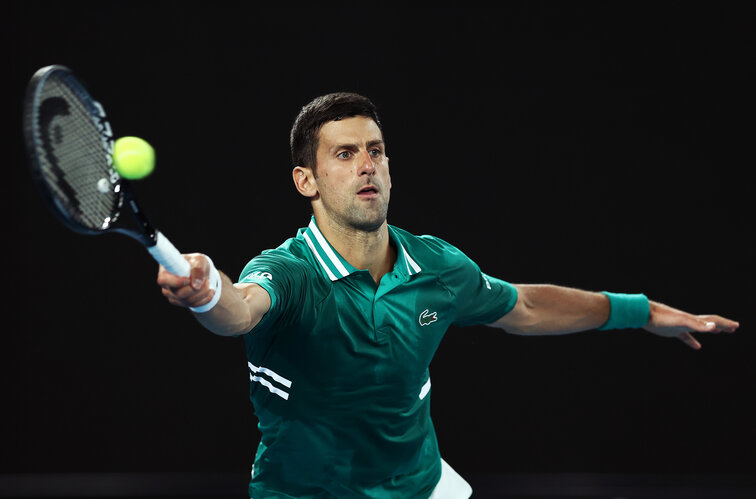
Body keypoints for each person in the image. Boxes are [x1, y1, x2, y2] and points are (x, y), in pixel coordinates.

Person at [156, 92, 739, 498]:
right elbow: (240, 311)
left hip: (420, 485)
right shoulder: (287, 273)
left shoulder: (435, 264)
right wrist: (207, 293)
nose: (367, 166)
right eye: (344, 153)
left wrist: (642, 312)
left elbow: (526, 306)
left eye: (376, 151)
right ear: (305, 180)